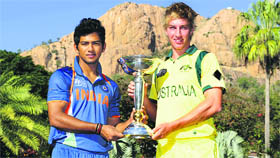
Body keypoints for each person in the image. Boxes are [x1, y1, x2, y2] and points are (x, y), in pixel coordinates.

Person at [127, 2, 226, 158]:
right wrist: (143, 97)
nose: (178, 34)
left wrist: (172, 126)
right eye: (173, 27)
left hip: (198, 146)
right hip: (166, 148)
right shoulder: (159, 67)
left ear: (191, 30)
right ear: (166, 30)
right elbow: (157, 116)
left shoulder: (204, 59)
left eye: (183, 28)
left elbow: (214, 104)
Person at [47, 18, 135, 158]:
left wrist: (131, 122)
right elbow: (56, 118)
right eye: (85, 44)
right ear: (76, 48)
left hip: (101, 153)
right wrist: (98, 128)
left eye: (95, 43)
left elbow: (112, 128)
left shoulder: (111, 86)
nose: (90, 49)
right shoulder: (63, 76)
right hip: (68, 151)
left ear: (103, 47)